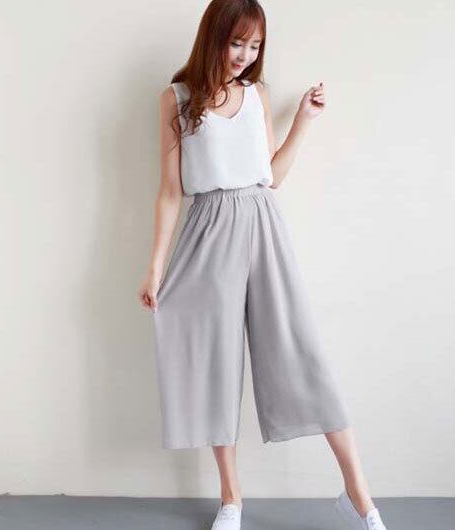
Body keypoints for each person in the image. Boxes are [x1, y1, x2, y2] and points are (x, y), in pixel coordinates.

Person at [138, 1, 389, 529]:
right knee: (214, 363)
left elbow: (270, 177)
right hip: (207, 233)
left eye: (254, 46)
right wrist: (155, 266)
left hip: (263, 226)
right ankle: (231, 498)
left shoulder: (257, 96)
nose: (245, 56)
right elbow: (170, 191)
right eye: (237, 43)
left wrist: (303, 121)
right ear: (214, 37)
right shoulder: (176, 99)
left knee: (303, 352)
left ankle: (359, 495)